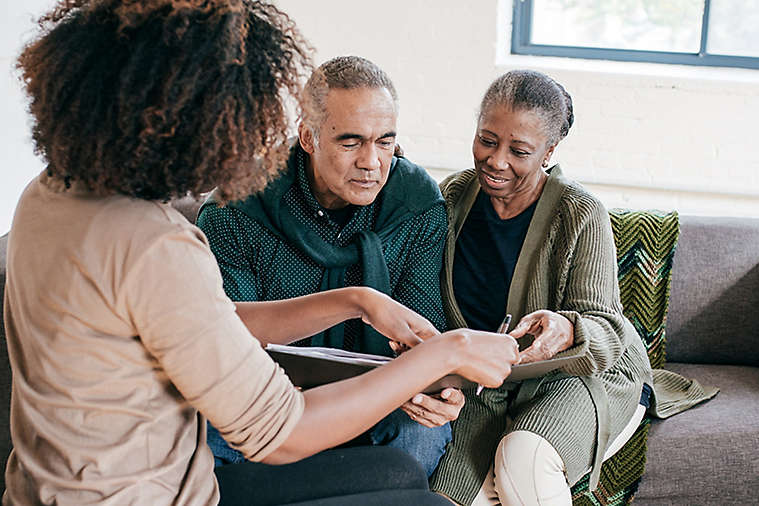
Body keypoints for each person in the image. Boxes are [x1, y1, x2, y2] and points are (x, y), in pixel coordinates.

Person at [2, 2, 521, 505]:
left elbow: (212, 320)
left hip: (59, 487)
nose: (244, 131)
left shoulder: (49, 194)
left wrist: (358, 300)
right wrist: (450, 351)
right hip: (157, 494)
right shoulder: (158, 248)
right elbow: (282, 433)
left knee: (397, 469)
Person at [428, 70, 715, 506]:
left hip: (581, 372)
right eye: (487, 140)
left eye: (519, 150)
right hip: (488, 386)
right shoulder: (452, 197)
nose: (496, 160)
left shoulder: (580, 214)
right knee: (447, 498)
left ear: (549, 150)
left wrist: (568, 328)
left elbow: (608, 329)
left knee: (522, 462)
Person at [197, 55, 459, 476]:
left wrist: (438, 393)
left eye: (385, 141)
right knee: (201, 431)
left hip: (375, 401)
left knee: (422, 432)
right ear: (308, 137)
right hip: (268, 398)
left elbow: (424, 329)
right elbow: (223, 340)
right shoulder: (237, 207)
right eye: (350, 142)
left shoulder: (416, 203)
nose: (372, 162)